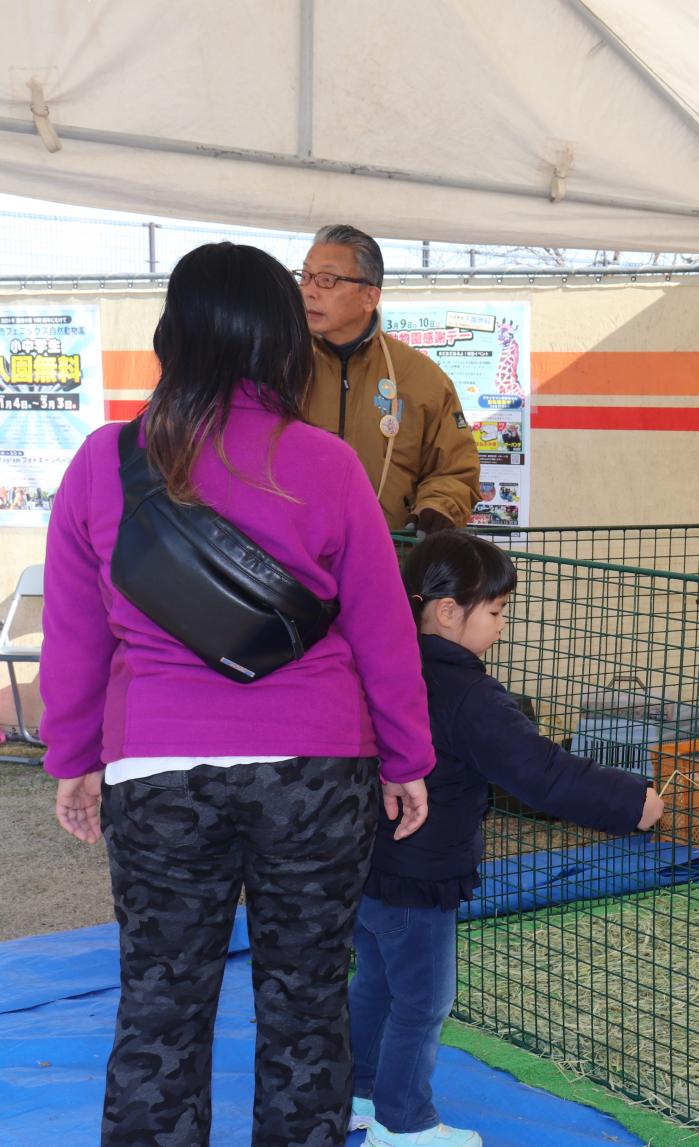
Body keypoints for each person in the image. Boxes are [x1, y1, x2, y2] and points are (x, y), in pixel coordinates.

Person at [40, 242, 435, 1147]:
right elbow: (383, 631)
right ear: (279, 341)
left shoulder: (105, 462)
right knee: (305, 1002)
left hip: (158, 764)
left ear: (172, 336)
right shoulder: (328, 464)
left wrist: (74, 759)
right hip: (316, 767)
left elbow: (76, 636)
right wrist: (409, 757)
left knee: (160, 1001)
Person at [348, 531, 665, 1147]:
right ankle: (402, 1123)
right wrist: (632, 802)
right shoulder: (469, 696)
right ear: (447, 611)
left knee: (375, 983)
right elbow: (541, 773)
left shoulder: (381, 666)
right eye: (495, 612)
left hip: (367, 865)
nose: (501, 625)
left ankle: (355, 1093)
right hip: (420, 876)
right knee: (423, 1002)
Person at [297, 224, 481, 533]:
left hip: (386, 562)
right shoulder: (279, 366)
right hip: (291, 566)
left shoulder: (421, 379)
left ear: (370, 297)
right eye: (305, 276)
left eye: (327, 280)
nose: (308, 291)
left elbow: (455, 470)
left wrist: (434, 510)